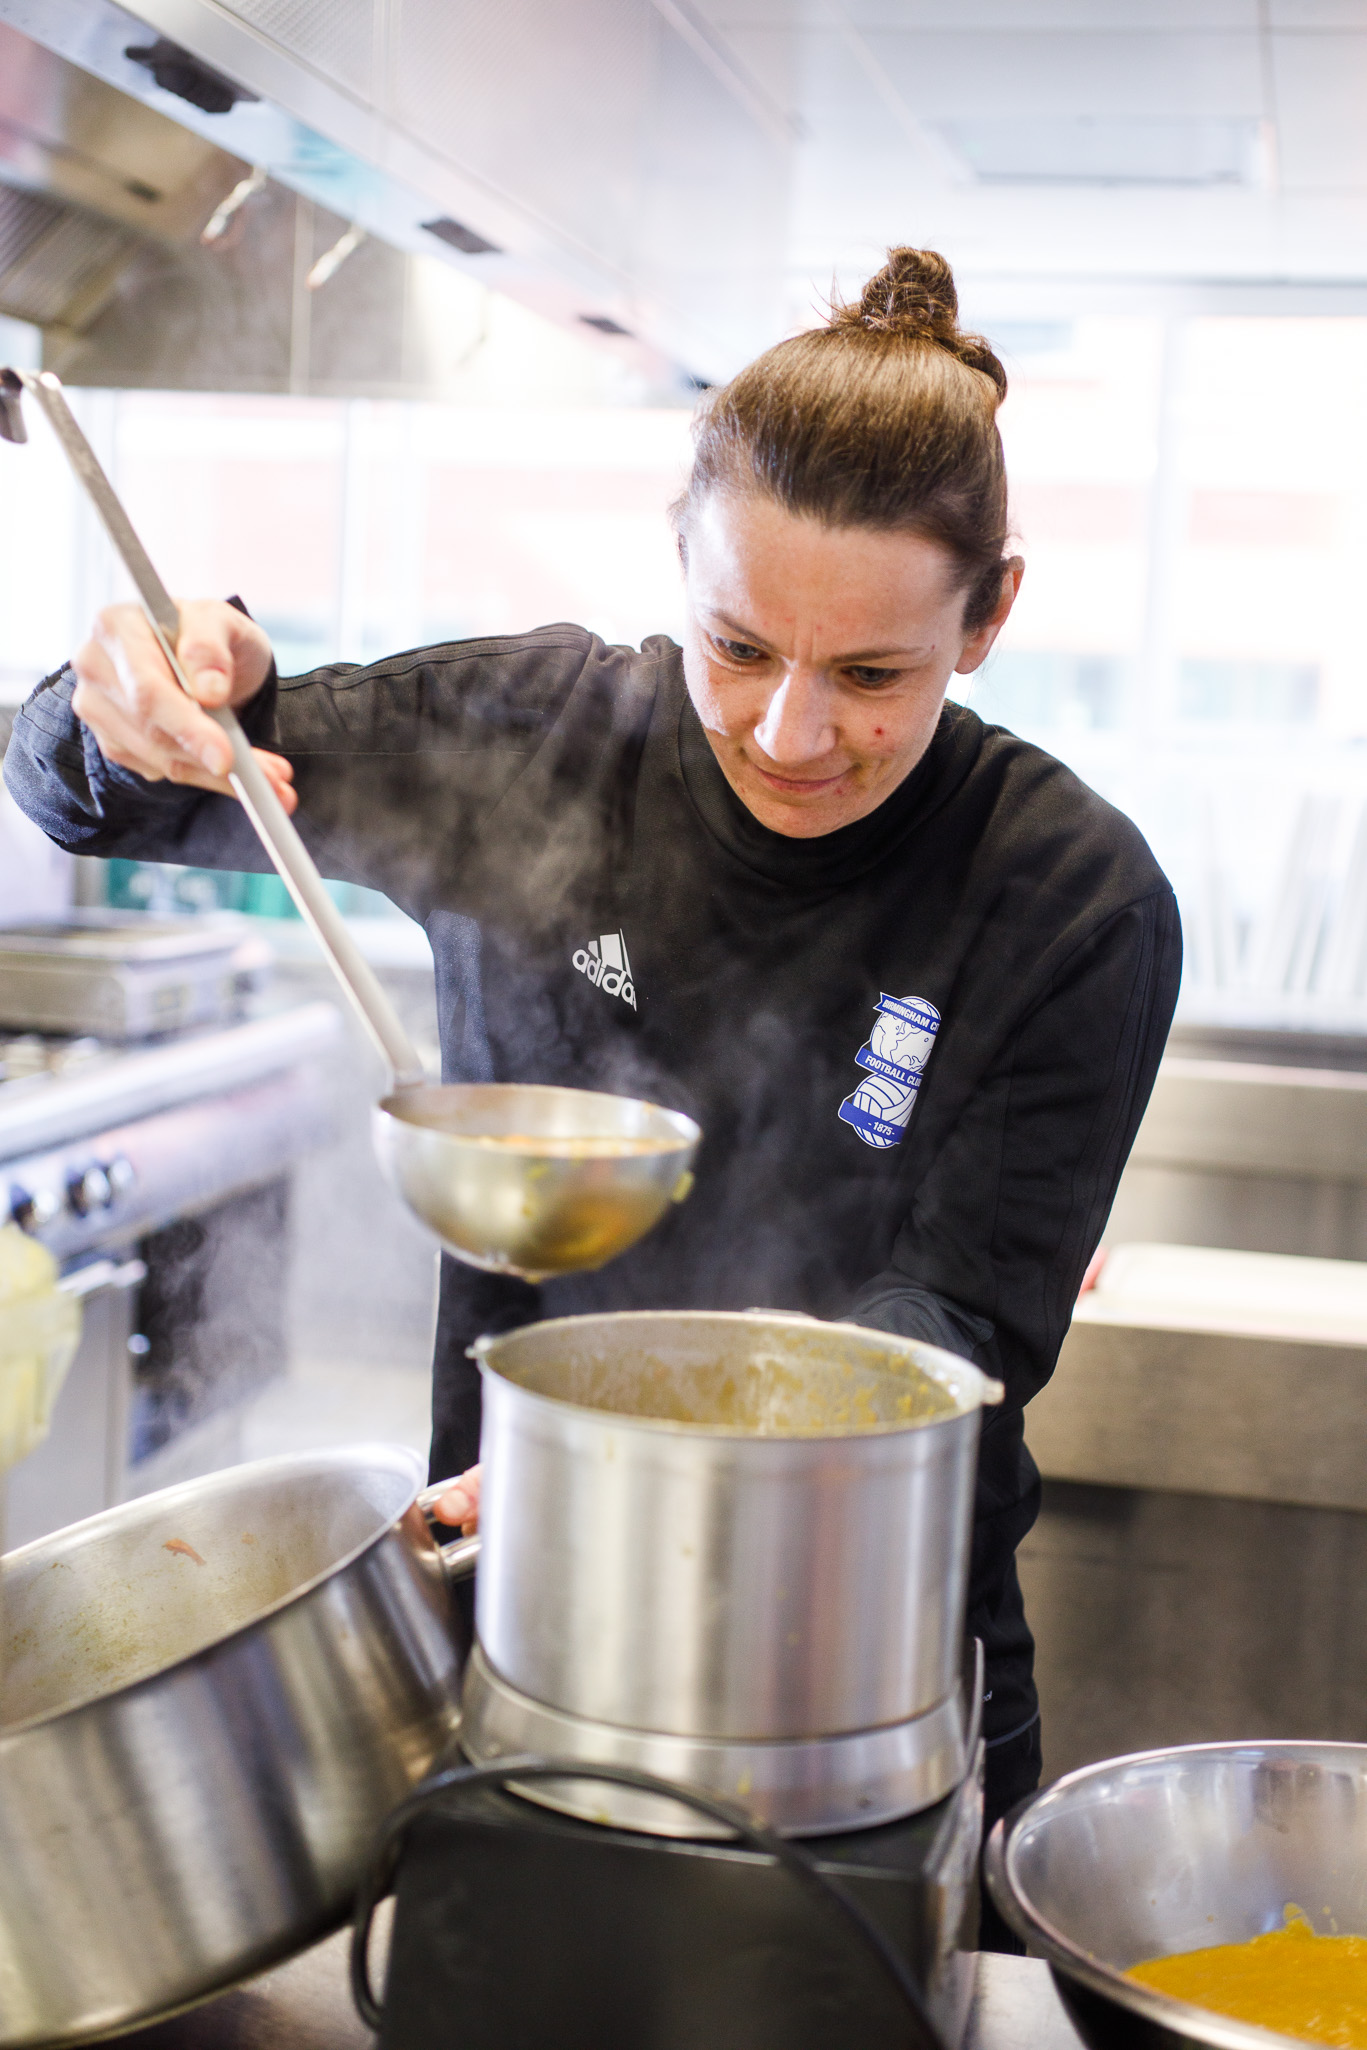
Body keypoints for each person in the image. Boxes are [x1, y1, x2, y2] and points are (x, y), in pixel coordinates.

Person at [4, 247, 1181, 1949]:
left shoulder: (1069, 898)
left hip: (877, 1681)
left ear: (988, 618)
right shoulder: (537, 739)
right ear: (679, 567)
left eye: (873, 676)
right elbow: (88, 792)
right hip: (515, 1626)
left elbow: (950, 1322)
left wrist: (628, 1481)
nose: (787, 729)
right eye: (738, 642)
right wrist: (120, 719)